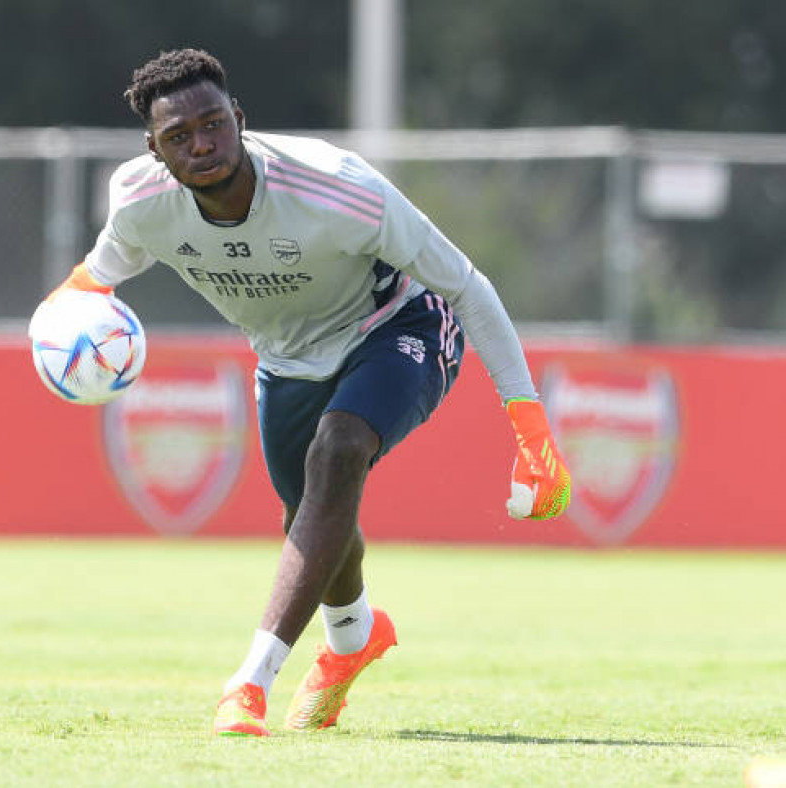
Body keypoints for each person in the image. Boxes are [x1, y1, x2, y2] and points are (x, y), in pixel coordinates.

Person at [45, 47, 571, 737]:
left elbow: (467, 286)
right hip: (287, 362)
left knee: (338, 451)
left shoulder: (337, 185)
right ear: (155, 149)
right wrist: (49, 331)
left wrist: (532, 431)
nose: (201, 145)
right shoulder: (142, 204)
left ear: (238, 117)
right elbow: (89, 283)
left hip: (398, 325)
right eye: (179, 137)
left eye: (212, 125)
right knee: (315, 521)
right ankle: (354, 641)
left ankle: (249, 684)